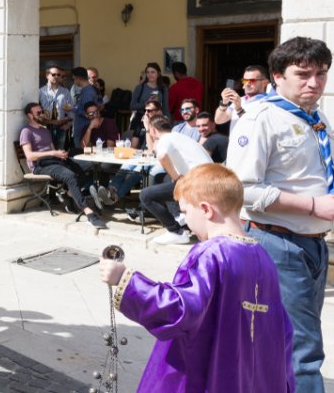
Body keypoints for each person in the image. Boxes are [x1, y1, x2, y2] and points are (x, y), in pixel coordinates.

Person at [99, 164, 294, 392]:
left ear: (206, 209)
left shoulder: (211, 253)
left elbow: (181, 308)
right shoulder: (263, 257)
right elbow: (283, 330)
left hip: (207, 375)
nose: (185, 220)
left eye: (185, 211)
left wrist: (125, 280)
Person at [227, 37, 334, 391]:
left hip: (314, 244)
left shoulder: (316, 117)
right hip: (278, 243)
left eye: (321, 73)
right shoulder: (260, 118)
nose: (314, 83)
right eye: (303, 74)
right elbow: (242, 189)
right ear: (277, 76)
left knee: (291, 343)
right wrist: (314, 206)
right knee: (303, 351)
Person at [20, 102, 108, 228]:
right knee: (70, 175)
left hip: (54, 161)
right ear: (29, 115)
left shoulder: (45, 131)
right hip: (40, 166)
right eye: (38, 113)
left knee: (89, 165)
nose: (42, 114)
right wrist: (53, 152)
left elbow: (53, 150)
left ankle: (68, 193)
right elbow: (29, 156)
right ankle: (88, 212)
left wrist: (60, 154)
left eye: (42, 111)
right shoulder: (26, 131)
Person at [140, 116, 212, 245]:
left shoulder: (165, 139)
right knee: (168, 181)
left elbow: (162, 156)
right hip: (209, 178)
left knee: (146, 195)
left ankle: (176, 232)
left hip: (197, 181)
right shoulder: (180, 137)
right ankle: (181, 217)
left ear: (153, 130)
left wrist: (178, 179)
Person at [215, 64, 270, 130]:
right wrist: (224, 103)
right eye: (245, 81)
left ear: (265, 82)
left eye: (252, 81)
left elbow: (254, 128)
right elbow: (218, 120)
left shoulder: (269, 102)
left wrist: (239, 109)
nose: (247, 84)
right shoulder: (240, 100)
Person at [38, 66, 73, 150]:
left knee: (60, 152)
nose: (56, 77)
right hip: (46, 126)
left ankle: (59, 163)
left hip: (61, 127)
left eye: (59, 75)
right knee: (47, 150)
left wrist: (69, 124)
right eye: (53, 74)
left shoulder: (65, 91)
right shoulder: (41, 91)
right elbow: (36, 109)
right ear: (47, 75)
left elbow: (71, 109)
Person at [130, 62, 169, 130]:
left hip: (157, 121)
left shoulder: (163, 89)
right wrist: (146, 104)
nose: (150, 75)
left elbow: (165, 108)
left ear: (158, 73)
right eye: (148, 72)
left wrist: (167, 121)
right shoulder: (140, 87)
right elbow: (132, 106)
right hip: (141, 119)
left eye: (153, 72)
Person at [70, 67, 99, 150]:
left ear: (78, 78)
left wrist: (72, 109)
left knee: (81, 153)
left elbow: (89, 113)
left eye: (73, 79)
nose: (74, 82)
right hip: (82, 128)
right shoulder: (86, 90)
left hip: (83, 128)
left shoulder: (88, 92)